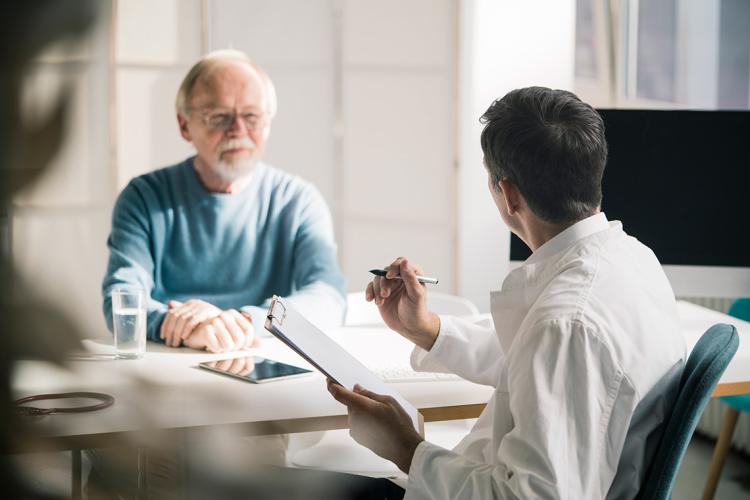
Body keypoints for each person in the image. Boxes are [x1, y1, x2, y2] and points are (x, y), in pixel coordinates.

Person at [328, 87, 687, 499]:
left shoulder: (567, 325)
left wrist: (407, 449)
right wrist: (427, 329)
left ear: (510, 195)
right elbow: (531, 357)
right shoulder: (633, 260)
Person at [101, 49, 346, 352]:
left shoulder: (298, 201)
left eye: (252, 116)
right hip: (168, 359)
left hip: (260, 359)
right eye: (219, 117)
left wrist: (244, 322)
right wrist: (176, 325)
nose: (238, 131)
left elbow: (328, 298)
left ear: (268, 123)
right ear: (184, 125)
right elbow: (122, 298)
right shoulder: (143, 197)